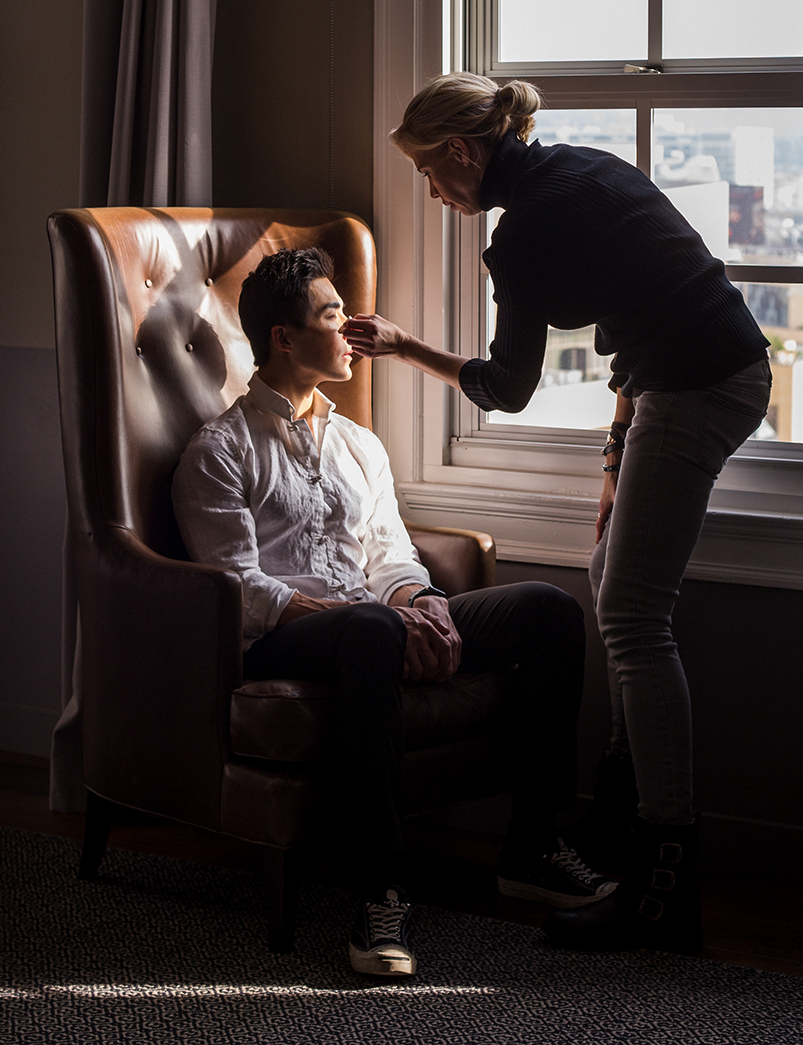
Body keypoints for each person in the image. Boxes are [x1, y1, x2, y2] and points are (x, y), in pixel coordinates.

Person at [343, 75, 772, 955]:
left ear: (462, 152)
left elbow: (507, 387)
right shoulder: (587, 170)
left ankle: (663, 880)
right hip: (692, 377)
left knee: (633, 618)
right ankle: (618, 818)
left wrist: (401, 345)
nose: (432, 189)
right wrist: (617, 454)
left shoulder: (526, 228)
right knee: (613, 582)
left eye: (430, 171)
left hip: (699, 388)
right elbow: (645, 307)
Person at [172, 246, 612, 979]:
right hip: (282, 639)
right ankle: (382, 888)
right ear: (285, 338)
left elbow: (390, 554)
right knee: (370, 627)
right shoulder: (219, 450)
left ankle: (532, 845)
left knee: (548, 611)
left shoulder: (359, 445)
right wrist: (366, 618)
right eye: (334, 314)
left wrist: (424, 606)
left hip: (374, 624)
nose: (352, 328)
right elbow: (235, 585)